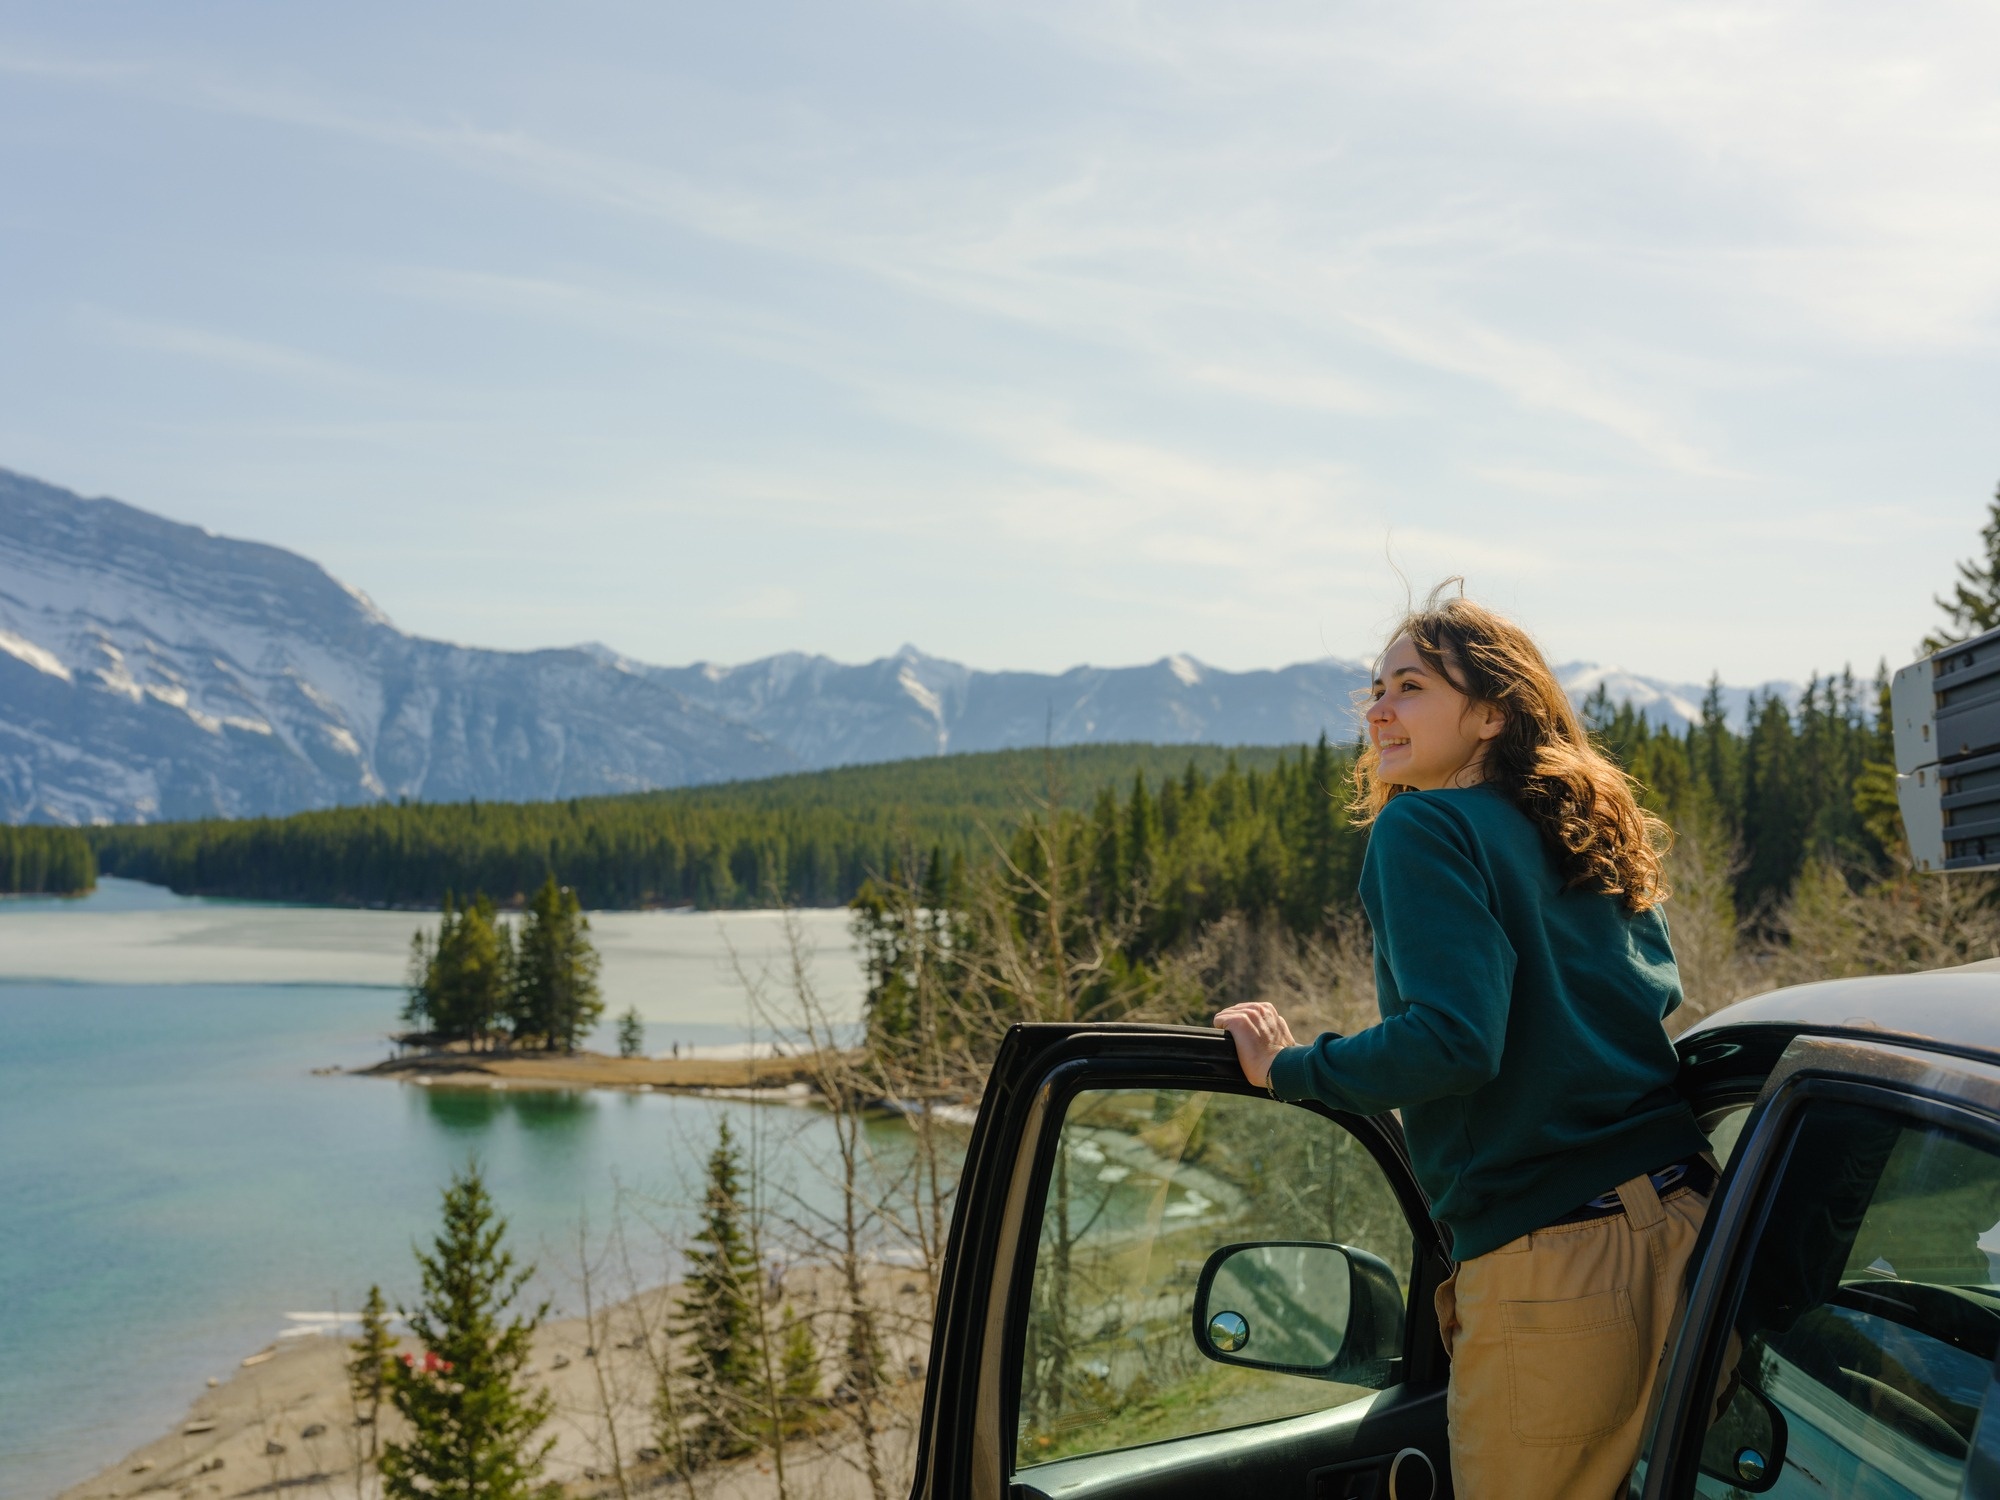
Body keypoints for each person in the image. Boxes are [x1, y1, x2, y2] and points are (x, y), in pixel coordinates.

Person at [1215, 587, 1714, 1500]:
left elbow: (1452, 1044)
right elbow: (1657, 993)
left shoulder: (1423, 825)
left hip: (1556, 1264)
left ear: (1491, 713)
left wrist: (1291, 1069)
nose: (1377, 710)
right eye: (1374, 689)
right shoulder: (1584, 828)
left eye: (1409, 686)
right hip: (1693, 1231)